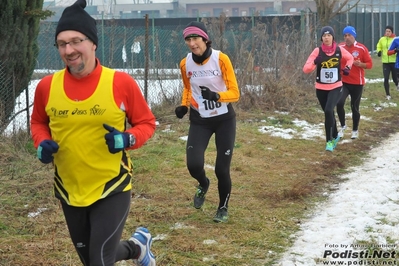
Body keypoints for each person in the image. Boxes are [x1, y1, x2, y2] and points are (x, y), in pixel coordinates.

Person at [30, 1, 156, 265]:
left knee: (99, 260)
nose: (69, 50)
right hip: (68, 188)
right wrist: (42, 143)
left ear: (93, 43)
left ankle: (135, 248)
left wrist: (127, 139)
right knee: (92, 259)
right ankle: (137, 247)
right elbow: (38, 123)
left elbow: (146, 123)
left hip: (112, 184)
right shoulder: (46, 86)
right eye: (62, 44)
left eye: (76, 41)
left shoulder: (120, 83)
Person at [174, 21, 240, 223]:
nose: (192, 43)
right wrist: (184, 106)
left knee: (222, 168)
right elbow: (188, 88)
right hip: (200, 120)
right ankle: (203, 183)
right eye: (188, 39)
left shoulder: (221, 59)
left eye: (195, 38)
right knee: (193, 164)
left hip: (224, 120)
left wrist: (216, 96)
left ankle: (222, 207)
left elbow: (235, 93)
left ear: (205, 39)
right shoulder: (185, 63)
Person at [303, 26, 353, 152]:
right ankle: (335, 135)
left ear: (333, 37)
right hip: (321, 88)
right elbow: (306, 69)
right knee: (328, 113)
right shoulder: (317, 51)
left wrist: (347, 68)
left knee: (328, 110)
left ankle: (329, 141)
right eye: (324, 36)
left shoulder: (339, 50)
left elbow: (350, 58)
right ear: (321, 38)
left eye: (329, 35)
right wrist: (315, 62)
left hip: (336, 86)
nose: (326, 38)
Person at [337, 26, 373, 140]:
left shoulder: (361, 48)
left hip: (357, 82)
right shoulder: (340, 47)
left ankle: (355, 130)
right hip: (344, 82)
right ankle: (343, 126)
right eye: (345, 36)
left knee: (354, 107)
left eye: (349, 35)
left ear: (354, 36)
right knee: (339, 102)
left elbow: (369, 64)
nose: (347, 38)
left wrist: (360, 64)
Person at [376, 25, 397, 100]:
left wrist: (396, 51)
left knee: (395, 78)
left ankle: (397, 85)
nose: (387, 33)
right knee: (386, 78)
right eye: (386, 31)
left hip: (394, 61)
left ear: (392, 32)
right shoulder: (382, 39)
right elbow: (379, 46)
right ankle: (388, 94)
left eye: (389, 31)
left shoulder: (395, 39)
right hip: (385, 62)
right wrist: (379, 51)